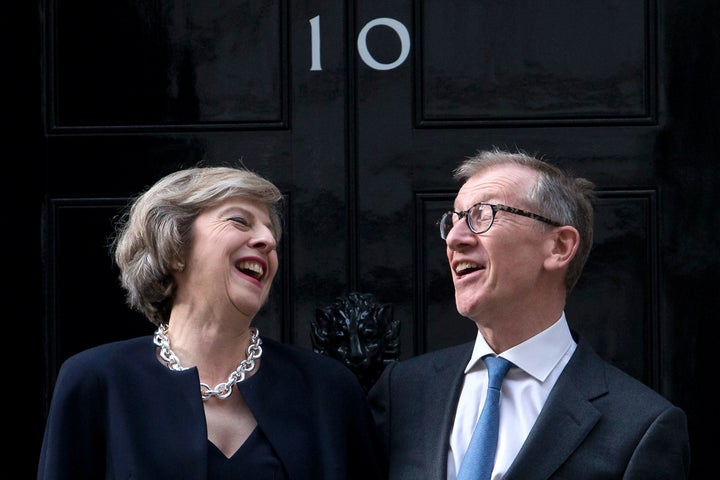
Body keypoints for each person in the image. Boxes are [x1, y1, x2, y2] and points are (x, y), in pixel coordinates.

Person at [38, 165, 387, 479]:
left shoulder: (328, 390)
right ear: (174, 246)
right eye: (239, 220)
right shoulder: (96, 381)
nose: (267, 241)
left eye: (271, 234)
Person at [368, 148, 690, 479]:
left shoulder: (640, 426)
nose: (454, 238)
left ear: (559, 247)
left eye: (482, 215)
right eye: (452, 220)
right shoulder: (404, 392)